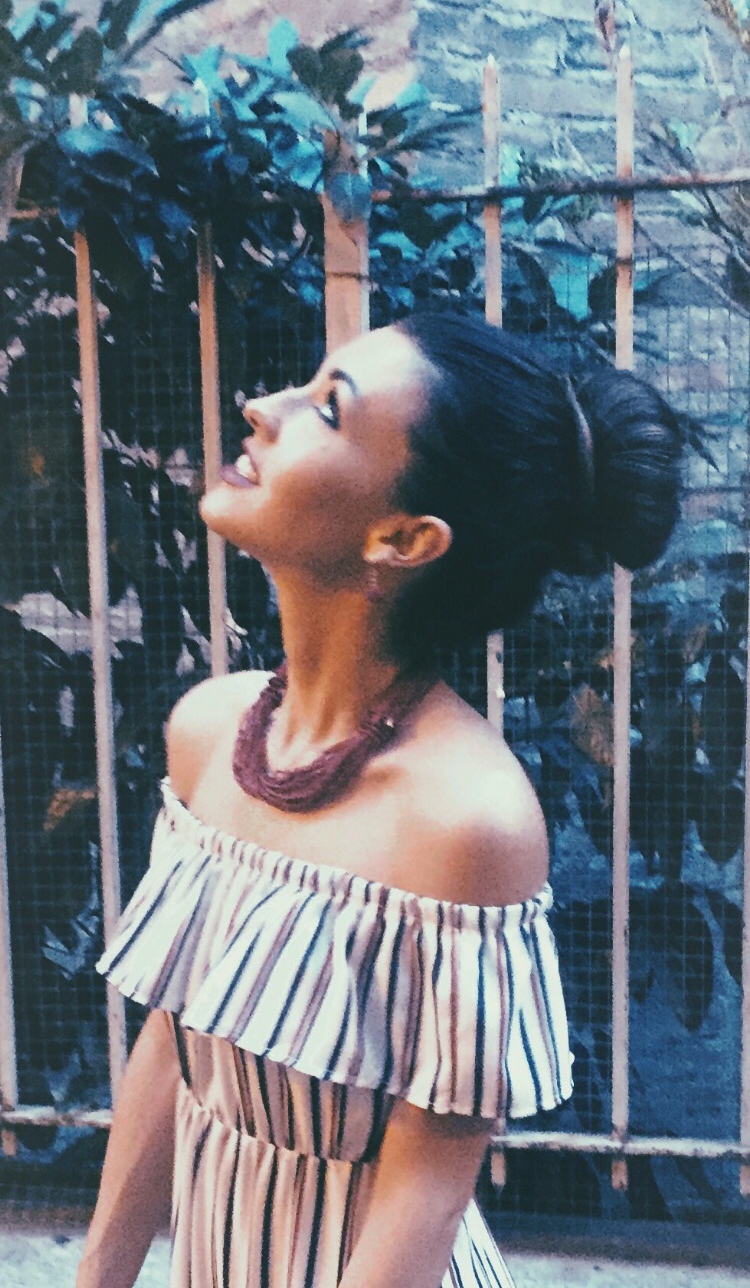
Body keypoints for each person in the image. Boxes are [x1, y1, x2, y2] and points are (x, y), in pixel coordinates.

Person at [77, 311, 682, 1288]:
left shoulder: (468, 823)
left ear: (403, 538)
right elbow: (174, 1049)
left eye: (327, 408)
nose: (261, 407)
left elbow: (424, 1196)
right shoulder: (207, 731)